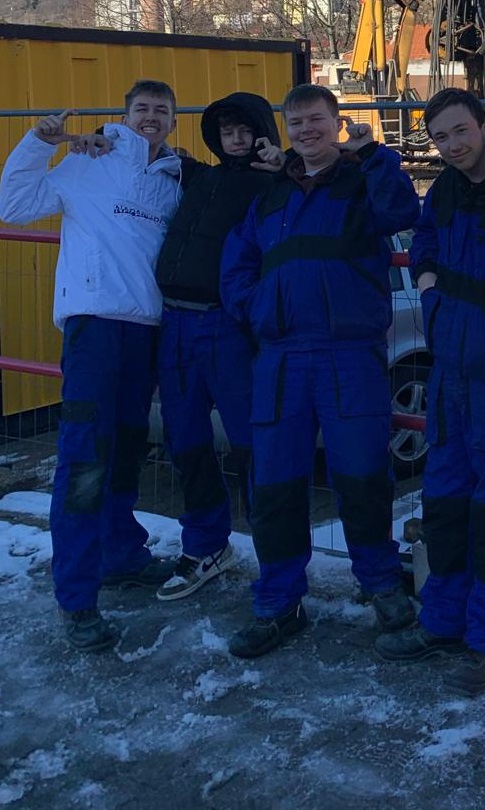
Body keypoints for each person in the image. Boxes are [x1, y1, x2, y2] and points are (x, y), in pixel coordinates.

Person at [219, 83, 421, 658]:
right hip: (282, 357)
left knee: (363, 477)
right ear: (286, 131)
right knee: (275, 484)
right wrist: (256, 307)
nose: (306, 131)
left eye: (316, 121)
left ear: (336, 124)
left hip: (348, 354)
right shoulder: (272, 194)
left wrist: (375, 155)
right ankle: (278, 602)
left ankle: (381, 585)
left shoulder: (361, 181)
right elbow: (238, 262)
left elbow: (402, 212)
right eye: (296, 123)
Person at [375, 89, 485, 697]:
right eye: (440, 137)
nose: (452, 145)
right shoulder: (448, 189)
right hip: (450, 374)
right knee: (446, 504)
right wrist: (428, 285)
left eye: (461, 131)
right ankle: (442, 620)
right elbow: (425, 237)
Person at [0, 80, 185, 652]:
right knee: (84, 460)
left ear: (172, 121)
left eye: (161, 110)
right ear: (125, 116)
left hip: (145, 332)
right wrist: (39, 142)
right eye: (141, 109)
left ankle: (120, 554)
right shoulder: (88, 161)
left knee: (126, 451)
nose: (151, 117)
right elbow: (14, 205)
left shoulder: (174, 181)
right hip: (94, 329)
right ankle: (77, 596)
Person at [149, 92, 282, 601]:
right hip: (175, 324)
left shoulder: (273, 184)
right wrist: (101, 140)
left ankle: (276, 557)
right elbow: (144, 150)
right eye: (227, 131)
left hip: (229, 329)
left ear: (262, 133)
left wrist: (284, 164)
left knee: (252, 445)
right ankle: (206, 545)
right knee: (185, 441)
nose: (236, 139)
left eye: (245, 130)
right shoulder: (198, 177)